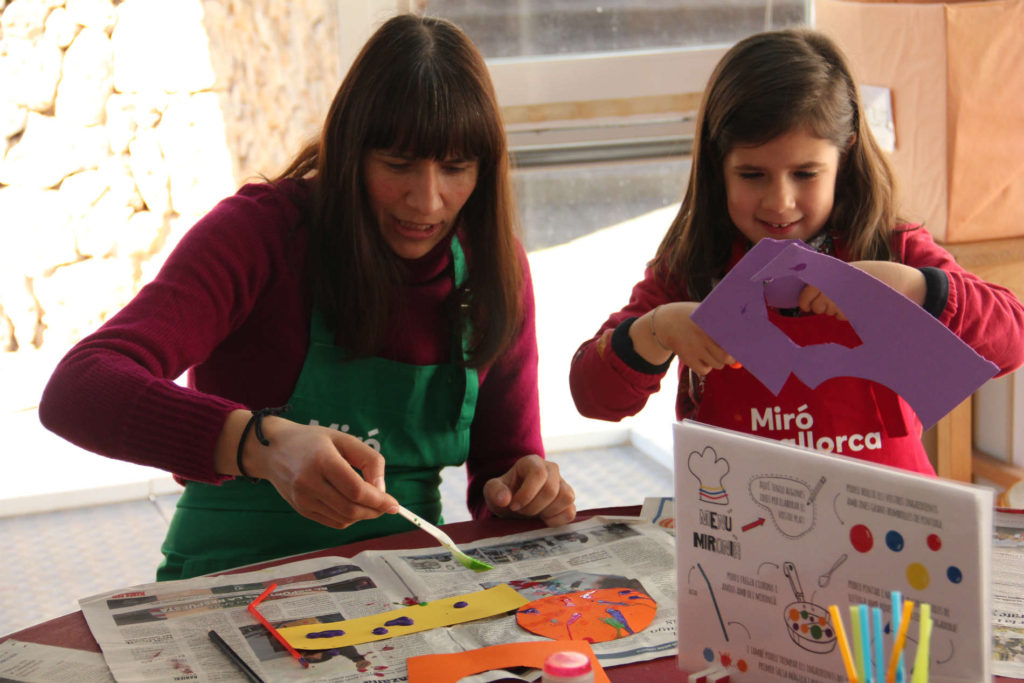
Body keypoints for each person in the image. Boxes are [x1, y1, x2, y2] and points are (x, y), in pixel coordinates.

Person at [39, 13, 576, 581]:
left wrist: (526, 492)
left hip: (410, 582)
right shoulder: (258, 233)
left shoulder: (492, 267)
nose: (426, 201)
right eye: (397, 165)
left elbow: (503, 471)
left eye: (455, 168)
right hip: (231, 576)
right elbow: (78, 389)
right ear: (350, 152)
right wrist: (260, 446)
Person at [569, 29, 1024, 476]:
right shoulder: (694, 264)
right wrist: (657, 330)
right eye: (752, 175)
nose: (779, 202)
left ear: (844, 156)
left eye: (805, 174)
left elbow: (1011, 342)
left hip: (892, 515)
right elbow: (593, 398)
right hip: (740, 516)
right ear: (717, 164)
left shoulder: (891, 245)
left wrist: (913, 287)